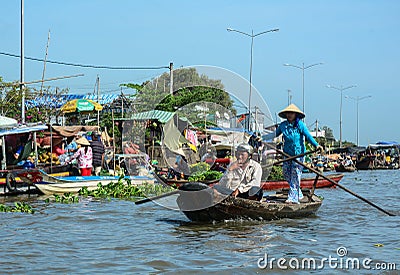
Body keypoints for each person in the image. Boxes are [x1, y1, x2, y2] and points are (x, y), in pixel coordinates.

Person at [275, 104, 323, 204]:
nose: (289, 115)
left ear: (295, 114)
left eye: (291, 113)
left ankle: (292, 198)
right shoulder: (283, 126)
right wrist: (261, 138)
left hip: (299, 155)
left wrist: (317, 145)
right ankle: (299, 193)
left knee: (295, 175)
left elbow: (308, 137)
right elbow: (274, 134)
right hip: (287, 154)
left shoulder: (300, 125)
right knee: (286, 173)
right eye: (288, 113)